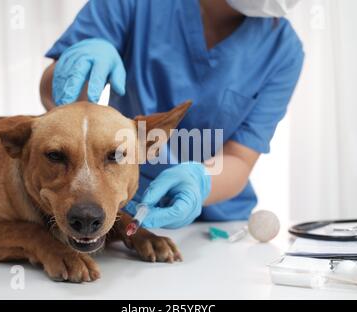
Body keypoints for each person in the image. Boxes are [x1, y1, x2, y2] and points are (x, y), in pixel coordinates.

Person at [40, 0, 304, 229]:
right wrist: (78, 66)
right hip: (115, 213)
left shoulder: (283, 49)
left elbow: (239, 158)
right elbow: (54, 99)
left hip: (217, 221)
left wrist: (200, 183)